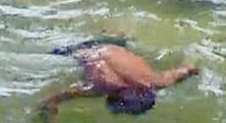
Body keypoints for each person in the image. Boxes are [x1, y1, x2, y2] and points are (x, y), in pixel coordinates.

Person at [39, 38, 198, 121]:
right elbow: (49, 100)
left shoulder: (157, 81)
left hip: (113, 43)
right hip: (81, 50)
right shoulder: (101, 88)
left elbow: (189, 69)